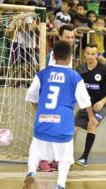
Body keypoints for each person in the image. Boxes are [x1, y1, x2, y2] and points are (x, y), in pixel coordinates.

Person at [22, 40, 97, 189]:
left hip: (43, 118)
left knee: (35, 148)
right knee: (65, 156)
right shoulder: (74, 76)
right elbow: (85, 100)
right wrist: (91, 117)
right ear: (70, 57)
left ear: (53, 56)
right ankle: (60, 184)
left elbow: (30, 96)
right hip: (63, 122)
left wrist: (39, 112)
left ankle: (31, 172)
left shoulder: (42, 74)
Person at [38, 24, 76, 172]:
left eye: (72, 37)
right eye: (67, 37)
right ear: (60, 37)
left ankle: (54, 158)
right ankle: (42, 159)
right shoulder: (55, 55)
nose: (70, 40)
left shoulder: (68, 54)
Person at [75, 43, 106, 167]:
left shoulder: (104, 69)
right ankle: (66, 157)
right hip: (87, 105)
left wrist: (102, 102)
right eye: (88, 54)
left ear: (97, 55)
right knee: (72, 130)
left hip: (103, 104)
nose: (90, 56)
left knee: (91, 123)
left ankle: (84, 158)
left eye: (93, 54)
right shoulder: (80, 69)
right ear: (84, 54)